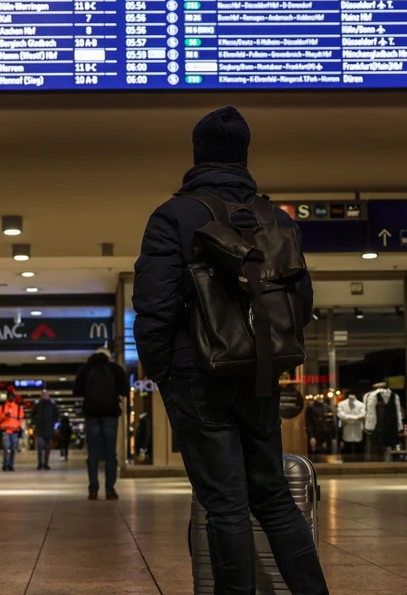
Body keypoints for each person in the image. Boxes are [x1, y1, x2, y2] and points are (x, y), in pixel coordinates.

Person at [133, 107, 328, 594]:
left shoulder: (174, 215)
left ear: (198, 154)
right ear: (243, 155)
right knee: (273, 496)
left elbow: (154, 305)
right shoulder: (275, 218)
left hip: (196, 373)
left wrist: (164, 371)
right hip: (259, 374)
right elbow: (301, 304)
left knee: (224, 503)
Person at [74, 347, 128, 500]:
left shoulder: (85, 369)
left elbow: (76, 390)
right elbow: (125, 390)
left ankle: (93, 490)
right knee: (111, 453)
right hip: (110, 415)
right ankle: (110, 490)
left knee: (93, 454)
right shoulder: (115, 369)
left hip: (91, 415)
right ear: (109, 357)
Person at [0, 387, 25, 471]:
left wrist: (16, 425)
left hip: (15, 431)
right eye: (9, 396)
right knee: (6, 448)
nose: (11, 398)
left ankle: (11, 465)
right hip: (5, 430)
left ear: (14, 397)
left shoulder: (19, 408)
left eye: (12, 396)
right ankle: (5, 464)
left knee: (13, 449)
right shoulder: (2, 407)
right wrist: (5, 415)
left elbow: (20, 419)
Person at [31, 389, 60, 470]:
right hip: (40, 429)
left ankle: (46, 463)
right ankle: (40, 463)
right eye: (43, 395)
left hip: (49, 429)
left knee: (47, 448)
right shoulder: (37, 405)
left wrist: (53, 422)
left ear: (48, 396)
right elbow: (32, 414)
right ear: (41, 396)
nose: (45, 396)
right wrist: (35, 422)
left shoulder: (52, 405)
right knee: (40, 446)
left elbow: (57, 415)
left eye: (46, 395)